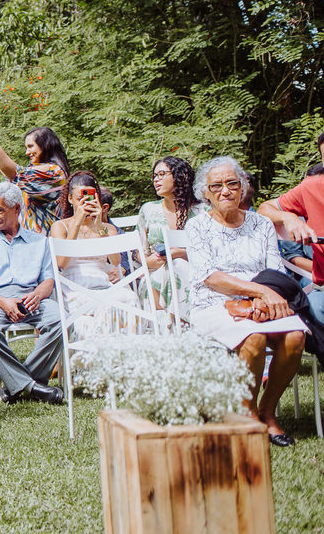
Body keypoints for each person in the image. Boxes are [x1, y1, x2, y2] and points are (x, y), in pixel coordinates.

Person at [185, 156, 308, 447]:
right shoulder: (197, 226)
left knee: (295, 336)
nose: (225, 191)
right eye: (216, 186)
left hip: (263, 301)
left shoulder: (261, 223)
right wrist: (259, 293)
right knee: (253, 337)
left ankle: (267, 411)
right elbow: (211, 277)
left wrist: (262, 299)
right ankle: (248, 413)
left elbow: (274, 269)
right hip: (214, 303)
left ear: (242, 188)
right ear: (205, 193)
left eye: (232, 183)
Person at [0, 181, 64, 405]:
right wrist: (2, 302)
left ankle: (16, 385)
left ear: (17, 209)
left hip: (31, 297)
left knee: (60, 320)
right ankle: (32, 387)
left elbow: (49, 280)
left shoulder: (39, 241)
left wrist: (38, 294)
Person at [49, 172, 138, 337]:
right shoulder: (60, 227)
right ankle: (106, 349)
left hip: (104, 284)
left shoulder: (107, 228)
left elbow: (115, 260)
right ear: (70, 199)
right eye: (80, 199)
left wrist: (99, 226)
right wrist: (77, 223)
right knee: (108, 304)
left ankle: (128, 347)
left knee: (129, 298)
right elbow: (61, 264)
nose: (85, 203)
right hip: (75, 287)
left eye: (90, 198)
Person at [259, 164, 324, 327]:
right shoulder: (312, 187)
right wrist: (288, 217)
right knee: (313, 306)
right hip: (320, 286)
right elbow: (264, 209)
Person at [0, 126, 70, 234]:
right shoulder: (38, 170)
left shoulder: (54, 173)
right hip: (31, 239)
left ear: (45, 145)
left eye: (30, 146)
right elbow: (11, 175)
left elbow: (15, 174)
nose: (27, 152)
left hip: (46, 240)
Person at [137, 156, 200, 303]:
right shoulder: (148, 210)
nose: (156, 180)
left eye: (161, 174)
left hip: (194, 273)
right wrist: (148, 261)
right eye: (154, 176)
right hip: (156, 274)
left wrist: (180, 254)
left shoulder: (202, 211)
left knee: (178, 266)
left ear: (180, 176)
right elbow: (140, 252)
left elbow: (214, 252)